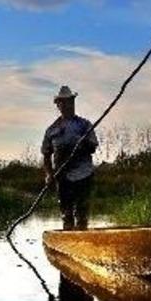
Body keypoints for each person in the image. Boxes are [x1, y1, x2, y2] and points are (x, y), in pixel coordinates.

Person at [41, 85, 98, 230]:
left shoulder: (84, 125)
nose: (65, 105)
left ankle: (82, 238)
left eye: (68, 101)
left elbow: (93, 147)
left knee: (82, 214)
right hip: (63, 177)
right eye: (61, 102)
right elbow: (46, 155)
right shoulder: (52, 129)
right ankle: (68, 239)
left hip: (84, 174)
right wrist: (49, 174)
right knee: (66, 215)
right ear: (58, 105)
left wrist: (83, 143)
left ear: (73, 103)